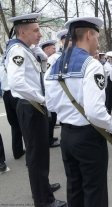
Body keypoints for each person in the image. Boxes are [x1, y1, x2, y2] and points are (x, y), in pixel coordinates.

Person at [45, 17, 112, 207]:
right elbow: (95, 112)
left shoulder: (54, 65)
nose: (98, 42)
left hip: (67, 135)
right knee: (94, 189)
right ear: (88, 35)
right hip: (88, 136)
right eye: (97, 37)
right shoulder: (91, 64)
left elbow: (50, 105)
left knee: (74, 187)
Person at [5, 13, 65, 207]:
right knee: (37, 155)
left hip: (32, 105)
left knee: (39, 153)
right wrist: (42, 99)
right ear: (22, 31)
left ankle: (43, 187)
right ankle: (44, 200)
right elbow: (16, 82)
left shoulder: (26, 49)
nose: (40, 34)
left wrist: (37, 50)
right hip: (30, 105)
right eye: (36, 30)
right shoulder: (18, 51)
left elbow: (38, 68)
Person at [0, 54, 25, 160]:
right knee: (25, 124)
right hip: (16, 94)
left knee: (14, 124)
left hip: (6, 95)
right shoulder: (15, 59)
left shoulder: (2, 63)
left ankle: (17, 151)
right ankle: (30, 157)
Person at [39, 39, 60, 148]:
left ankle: (50, 137)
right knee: (51, 118)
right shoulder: (50, 59)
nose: (55, 49)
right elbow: (46, 77)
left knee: (52, 117)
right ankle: (49, 140)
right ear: (46, 49)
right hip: (49, 92)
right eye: (53, 48)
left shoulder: (48, 59)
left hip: (50, 92)